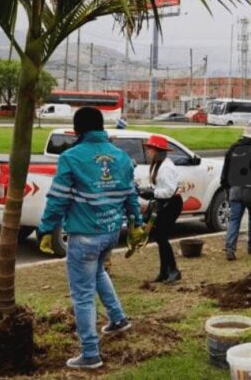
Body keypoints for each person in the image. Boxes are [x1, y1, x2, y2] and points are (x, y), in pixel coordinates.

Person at [37, 107, 140, 370]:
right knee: (97, 274)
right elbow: (131, 195)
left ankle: (90, 353)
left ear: (77, 130)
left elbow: (58, 198)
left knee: (82, 295)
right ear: (101, 128)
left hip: (85, 235)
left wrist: (46, 229)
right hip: (111, 232)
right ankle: (117, 318)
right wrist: (137, 223)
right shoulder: (121, 156)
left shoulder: (71, 157)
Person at [139, 135, 183, 284]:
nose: (148, 152)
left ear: (158, 150)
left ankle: (173, 270)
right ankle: (164, 271)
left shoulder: (167, 167)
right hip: (164, 202)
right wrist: (147, 191)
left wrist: (152, 193)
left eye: (150, 149)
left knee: (162, 237)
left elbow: (169, 191)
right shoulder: (158, 164)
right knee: (159, 237)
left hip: (171, 203)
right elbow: (159, 188)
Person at [222, 125, 251, 261]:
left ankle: (230, 249)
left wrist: (226, 188)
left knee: (234, 220)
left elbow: (225, 171)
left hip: (235, 190)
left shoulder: (233, 149)